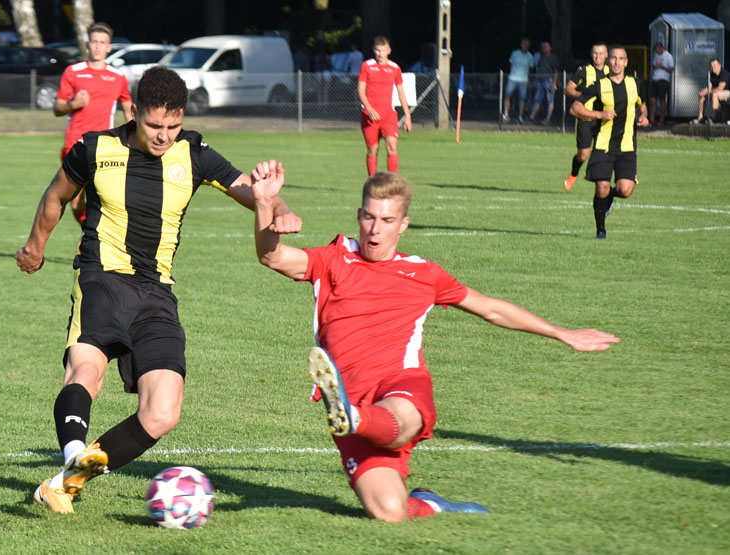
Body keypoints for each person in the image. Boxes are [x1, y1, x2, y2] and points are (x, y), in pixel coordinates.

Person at [249, 163, 620, 522]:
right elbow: (272, 255)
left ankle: (354, 417)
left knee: (402, 417)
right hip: (351, 397)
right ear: (358, 215)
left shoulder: (424, 274)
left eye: (387, 221)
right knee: (389, 512)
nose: (374, 230)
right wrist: (265, 202)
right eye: (369, 218)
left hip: (399, 385)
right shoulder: (333, 259)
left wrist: (562, 333)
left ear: (404, 225)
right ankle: (429, 501)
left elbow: (490, 309)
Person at [15, 65, 302, 514]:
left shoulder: (194, 152)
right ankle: (74, 459)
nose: (164, 135)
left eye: (173, 125)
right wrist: (35, 247)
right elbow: (55, 196)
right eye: (154, 125)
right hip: (101, 277)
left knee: (163, 412)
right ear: (134, 111)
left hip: (156, 292)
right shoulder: (95, 148)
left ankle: (63, 483)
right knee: (86, 370)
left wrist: (277, 205)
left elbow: (254, 191)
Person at [54, 22, 133, 224]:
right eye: (94, 42)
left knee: (104, 197)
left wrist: (136, 138)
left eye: (102, 42)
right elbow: (57, 108)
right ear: (87, 45)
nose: (98, 46)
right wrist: (74, 103)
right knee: (75, 201)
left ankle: (93, 241)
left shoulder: (117, 76)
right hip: (75, 143)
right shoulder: (73, 72)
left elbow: (128, 108)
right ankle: (90, 234)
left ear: (108, 47)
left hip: (104, 145)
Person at [569, 45, 648, 239]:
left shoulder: (635, 84)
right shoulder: (599, 85)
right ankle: (600, 230)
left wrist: (644, 117)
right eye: (613, 58)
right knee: (601, 187)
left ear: (626, 62)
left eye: (621, 59)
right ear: (608, 61)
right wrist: (599, 114)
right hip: (603, 145)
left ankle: (611, 197)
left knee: (625, 190)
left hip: (627, 147)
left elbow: (643, 105)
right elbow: (575, 108)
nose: (617, 62)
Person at [357, 36, 412, 175]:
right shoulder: (367, 66)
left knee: (392, 147)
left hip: (388, 116)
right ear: (374, 50)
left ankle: (394, 181)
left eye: (383, 50)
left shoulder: (395, 68)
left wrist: (408, 116)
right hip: (369, 116)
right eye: (377, 50)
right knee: (373, 149)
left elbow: (401, 92)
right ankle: (372, 181)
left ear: (389, 51)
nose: (380, 54)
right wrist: (369, 109)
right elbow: (360, 89)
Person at [563, 42, 608, 191]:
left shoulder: (611, 71)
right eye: (595, 53)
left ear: (606, 55)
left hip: (604, 120)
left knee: (603, 153)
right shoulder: (584, 70)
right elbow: (568, 89)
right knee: (583, 155)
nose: (598, 56)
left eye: (601, 53)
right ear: (591, 54)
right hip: (586, 119)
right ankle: (574, 174)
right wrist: (583, 95)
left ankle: (602, 185)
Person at [502, 37, 534, 124]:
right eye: (524, 44)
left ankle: (520, 116)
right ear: (521, 44)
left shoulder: (530, 56)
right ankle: (506, 114)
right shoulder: (515, 53)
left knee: (522, 98)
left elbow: (531, 68)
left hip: (523, 80)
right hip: (513, 78)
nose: (525, 46)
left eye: (527, 44)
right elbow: (511, 64)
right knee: (507, 95)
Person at [691, 58, 730, 124]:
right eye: (711, 66)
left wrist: (708, 92)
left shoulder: (724, 74)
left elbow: (720, 88)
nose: (713, 67)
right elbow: (709, 87)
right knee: (702, 97)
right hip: (718, 92)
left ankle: (713, 119)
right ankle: (700, 117)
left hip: (727, 92)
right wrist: (703, 92)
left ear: (719, 65)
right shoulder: (712, 75)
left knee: (715, 95)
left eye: (715, 65)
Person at [528, 41, 559, 124]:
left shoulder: (553, 58)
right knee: (537, 100)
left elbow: (556, 72)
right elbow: (537, 67)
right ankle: (531, 118)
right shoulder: (540, 57)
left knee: (550, 100)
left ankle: (547, 119)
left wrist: (554, 83)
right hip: (540, 81)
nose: (544, 48)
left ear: (550, 48)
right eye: (543, 47)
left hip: (549, 81)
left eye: (546, 47)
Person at [647, 42, 674, 126]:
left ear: (661, 48)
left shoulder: (668, 56)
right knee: (652, 100)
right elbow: (654, 65)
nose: (657, 52)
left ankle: (662, 119)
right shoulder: (656, 55)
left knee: (662, 99)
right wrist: (656, 66)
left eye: (658, 50)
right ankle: (652, 119)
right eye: (656, 51)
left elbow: (672, 69)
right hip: (655, 79)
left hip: (663, 80)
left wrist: (662, 67)